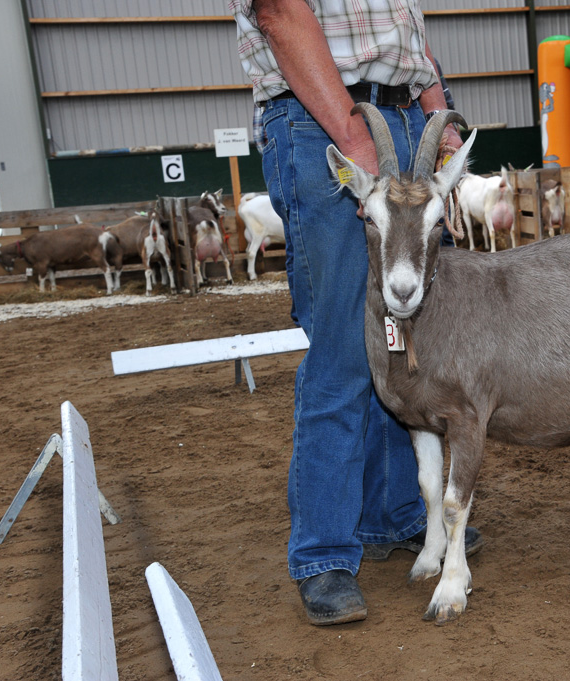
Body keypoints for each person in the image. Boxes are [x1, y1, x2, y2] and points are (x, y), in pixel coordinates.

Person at [230, 0, 481, 626]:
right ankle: (323, 554)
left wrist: (436, 115)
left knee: (407, 343)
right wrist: (350, 136)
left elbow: (406, 32)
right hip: (324, 119)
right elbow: (279, 11)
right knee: (346, 346)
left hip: (402, 122)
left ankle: (395, 513)